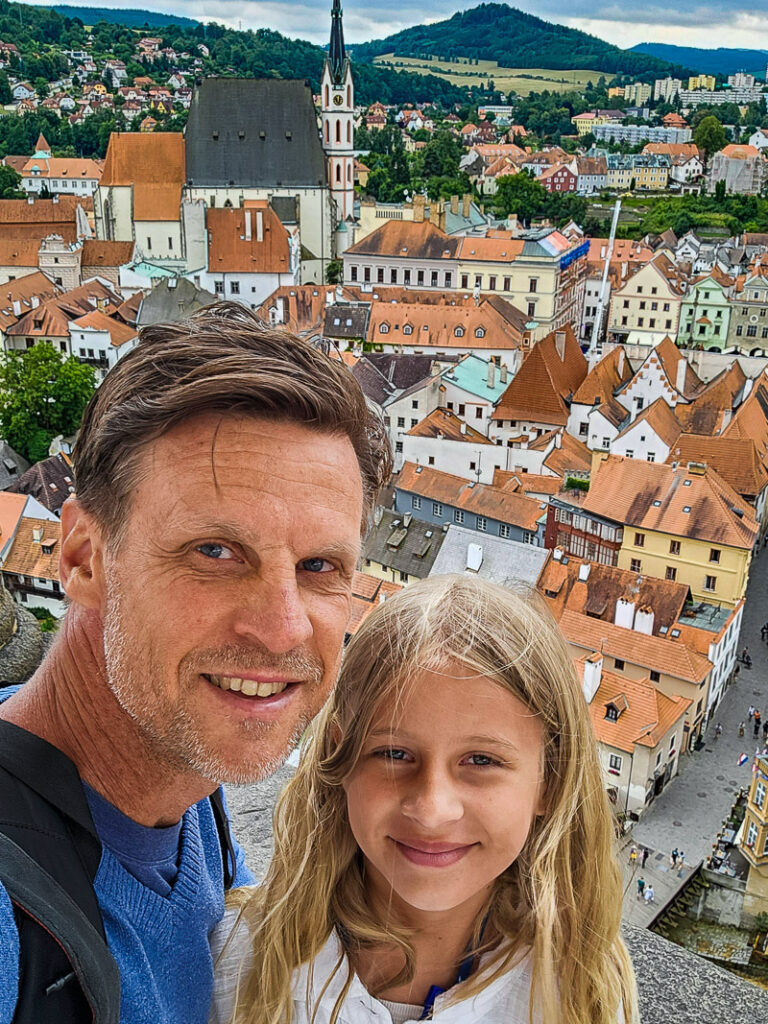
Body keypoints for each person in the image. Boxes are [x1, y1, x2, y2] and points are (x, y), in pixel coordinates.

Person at [0, 302, 391, 1023]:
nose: (282, 629)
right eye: (215, 552)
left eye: (319, 565)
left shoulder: (187, 789)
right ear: (85, 557)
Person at [210, 576, 639, 1024]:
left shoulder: (580, 989)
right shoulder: (242, 960)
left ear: (549, 782)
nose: (432, 810)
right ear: (341, 759)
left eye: (480, 760)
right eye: (394, 754)